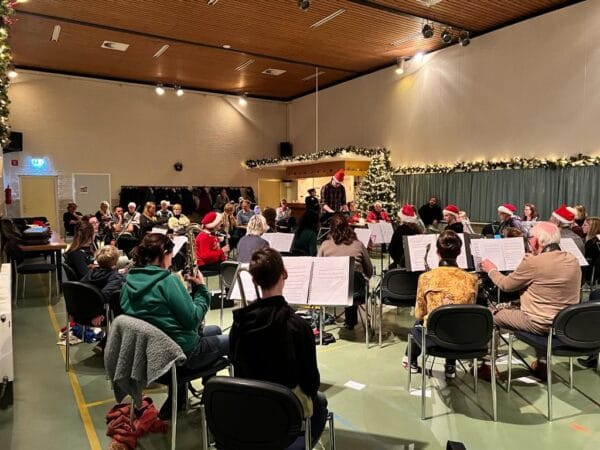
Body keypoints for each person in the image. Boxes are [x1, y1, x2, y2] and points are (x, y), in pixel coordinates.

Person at [120, 233, 228, 419]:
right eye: (171, 255)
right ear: (164, 254)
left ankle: (181, 400)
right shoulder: (167, 281)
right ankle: (214, 399)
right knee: (235, 339)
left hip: (149, 358)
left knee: (215, 331)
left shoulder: (129, 282)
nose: (172, 260)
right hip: (181, 357)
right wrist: (201, 290)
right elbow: (193, 319)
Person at [230, 248, 328, 449]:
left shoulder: (239, 324)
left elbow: (235, 366)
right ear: (285, 274)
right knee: (320, 402)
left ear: (254, 281)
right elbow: (311, 383)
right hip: (285, 413)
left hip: (249, 408)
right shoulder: (299, 327)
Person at [480, 221, 581, 380]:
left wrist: (491, 269)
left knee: (490, 315)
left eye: (530, 237)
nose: (529, 240)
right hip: (563, 323)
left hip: (538, 322)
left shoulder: (533, 263)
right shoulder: (573, 259)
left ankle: (488, 366)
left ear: (537, 241)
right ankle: (542, 364)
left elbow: (506, 285)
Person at [403, 231, 478, 379]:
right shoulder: (472, 279)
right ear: (459, 252)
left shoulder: (425, 277)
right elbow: (469, 310)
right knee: (455, 320)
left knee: (418, 324)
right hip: (462, 338)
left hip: (434, 338)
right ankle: (450, 365)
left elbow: (419, 314)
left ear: (437, 252)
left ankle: (410, 359)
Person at [318, 214, 373, 330]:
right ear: (348, 226)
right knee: (352, 282)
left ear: (331, 228)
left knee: (346, 282)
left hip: (333, 291)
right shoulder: (358, 244)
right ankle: (351, 321)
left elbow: (318, 270)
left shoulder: (325, 245)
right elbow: (369, 269)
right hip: (357, 292)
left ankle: (349, 321)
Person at [81, 245, 125, 323]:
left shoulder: (91, 272)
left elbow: (79, 287)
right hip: (103, 313)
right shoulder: (115, 277)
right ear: (116, 261)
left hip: (84, 310)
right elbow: (104, 295)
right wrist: (98, 312)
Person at [388, 204, 423, 268]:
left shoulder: (400, 229)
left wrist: (397, 261)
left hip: (402, 263)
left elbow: (391, 249)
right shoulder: (417, 230)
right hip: (416, 263)